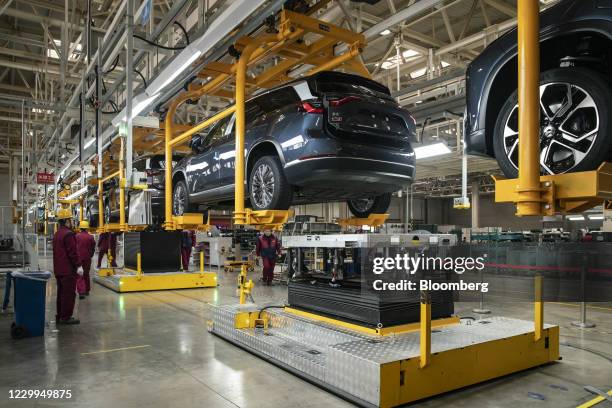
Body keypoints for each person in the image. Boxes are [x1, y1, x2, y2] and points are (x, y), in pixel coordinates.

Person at [52, 209, 82, 325]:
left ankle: (60, 315)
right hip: (68, 270)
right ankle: (66, 317)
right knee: (68, 294)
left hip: (58, 270)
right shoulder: (69, 234)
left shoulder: (57, 234)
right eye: (70, 220)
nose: (72, 222)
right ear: (66, 221)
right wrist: (79, 265)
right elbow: (73, 253)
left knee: (61, 294)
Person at [75, 220, 96, 298]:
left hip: (78, 258)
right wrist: (90, 255)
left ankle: (81, 292)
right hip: (87, 258)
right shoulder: (90, 237)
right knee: (86, 274)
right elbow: (93, 247)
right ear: (87, 228)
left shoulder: (76, 236)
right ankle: (87, 290)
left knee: (80, 274)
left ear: (80, 228)